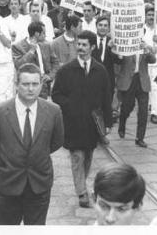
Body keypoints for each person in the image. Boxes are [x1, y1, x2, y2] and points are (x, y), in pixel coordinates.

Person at [0, 63, 64, 225]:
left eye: (35, 84)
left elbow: (56, 142)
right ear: (16, 84)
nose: (31, 89)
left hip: (38, 186)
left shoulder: (54, 111)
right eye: (25, 84)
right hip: (7, 185)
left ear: (41, 84)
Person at [52, 30, 112, 208]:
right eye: (79, 44)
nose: (80, 48)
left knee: (87, 156)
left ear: (92, 47)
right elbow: (56, 95)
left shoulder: (100, 70)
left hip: (92, 124)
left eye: (85, 45)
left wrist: (107, 123)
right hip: (73, 123)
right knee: (77, 156)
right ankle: (82, 192)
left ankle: (81, 184)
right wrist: (71, 105)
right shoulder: (66, 70)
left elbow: (107, 97)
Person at [117, 39, 157, 148]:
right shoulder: (125, 44)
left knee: (143, 111)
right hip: (129, 81)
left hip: (142, 81)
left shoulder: (144, 45)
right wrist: (118, 53)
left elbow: (153, 60)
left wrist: (146, 50)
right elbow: (117, 60)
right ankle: (122, 121)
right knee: (127, 107)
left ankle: (140, 138)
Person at [12, 21, 58, 99]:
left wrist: (50, 76)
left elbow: (55, 63)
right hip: (26, 86)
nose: (45, 35)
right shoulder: (18, 46)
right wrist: (31, 51)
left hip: (43, 86)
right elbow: (19, 65)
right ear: (37, 34)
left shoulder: (46, 45)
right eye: (43, 33)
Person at [92, 15, 121, 122]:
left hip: (108, 80)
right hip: (92, 79)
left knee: (106, 107)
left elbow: (119, 61)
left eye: (105, 25)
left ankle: (103, 132)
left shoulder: (112, 41)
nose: (103, 28)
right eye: (100, 25)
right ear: (96, 26)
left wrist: (112, 49)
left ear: (109, 28)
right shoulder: (90, 40)